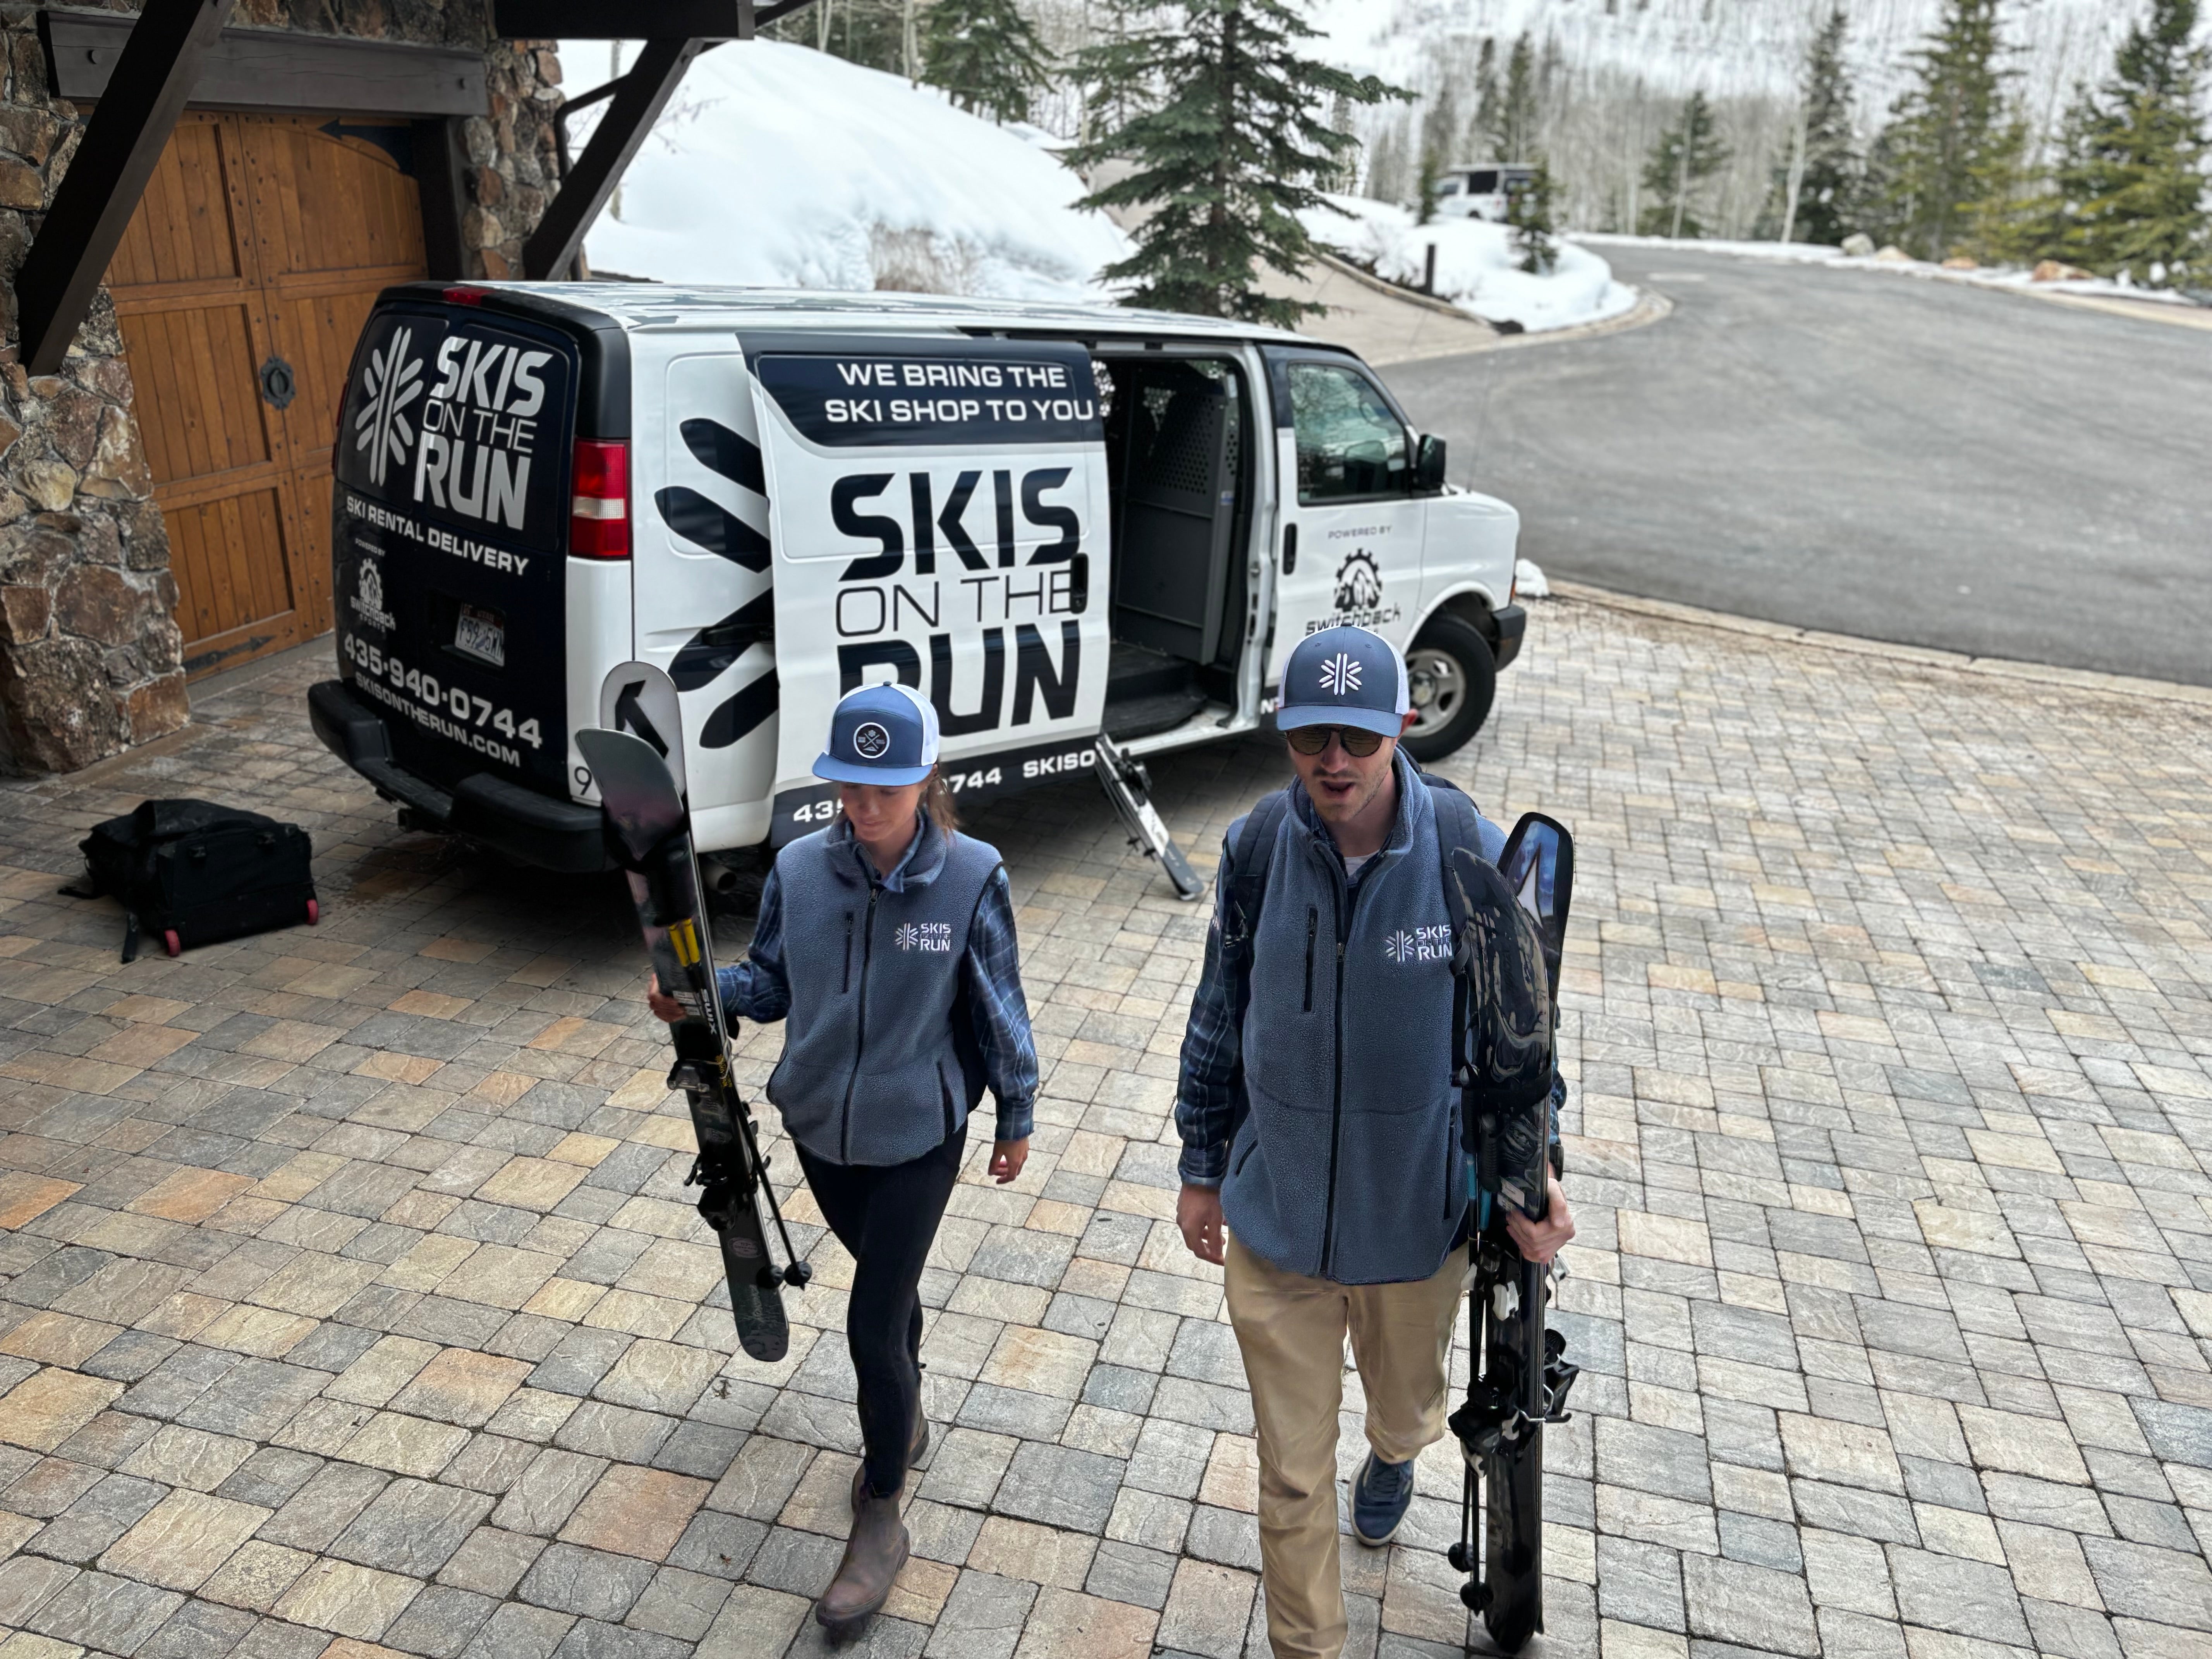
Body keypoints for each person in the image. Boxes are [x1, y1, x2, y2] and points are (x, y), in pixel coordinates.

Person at [1173, 624, 1575, 1659]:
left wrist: (1538, 1180)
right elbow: (1218, 1012)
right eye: (1313, 736)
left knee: (1410, 1407)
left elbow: (1521, 1039)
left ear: (1402, 725)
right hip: (1280, 1221)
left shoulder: (1464, 850)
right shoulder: (1258, 848)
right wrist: (1203, 1167)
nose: (1335, 761)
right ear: (1289, 734)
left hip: (1416, 1219)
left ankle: (1395, 1451)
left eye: (1358, 733)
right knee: (1292, 1474)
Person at [648, 682, 1037, 1633]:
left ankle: (881, 1513)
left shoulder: (972, 877)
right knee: (889, 1294)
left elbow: (999, 1008)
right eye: (847, 792)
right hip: (818, 1128)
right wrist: (706, 992)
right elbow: (774, 980)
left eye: (885, 793)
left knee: (871, 1322)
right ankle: (905, 1414)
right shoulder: (799, 871)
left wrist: (1015, 1111)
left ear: (926, 781)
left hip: (919, 1137)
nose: (863, 812)